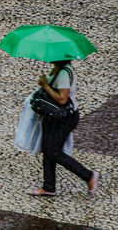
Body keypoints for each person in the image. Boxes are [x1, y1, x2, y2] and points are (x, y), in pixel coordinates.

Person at [27, 60, 98, 196]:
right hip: (53, 116)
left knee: (54, 152)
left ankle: (88, 176)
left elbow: (62, 99)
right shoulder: (57, 69)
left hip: (64, 118)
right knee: (48, 150)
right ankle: (48, 186)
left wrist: (45, 85)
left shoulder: (64, 74)